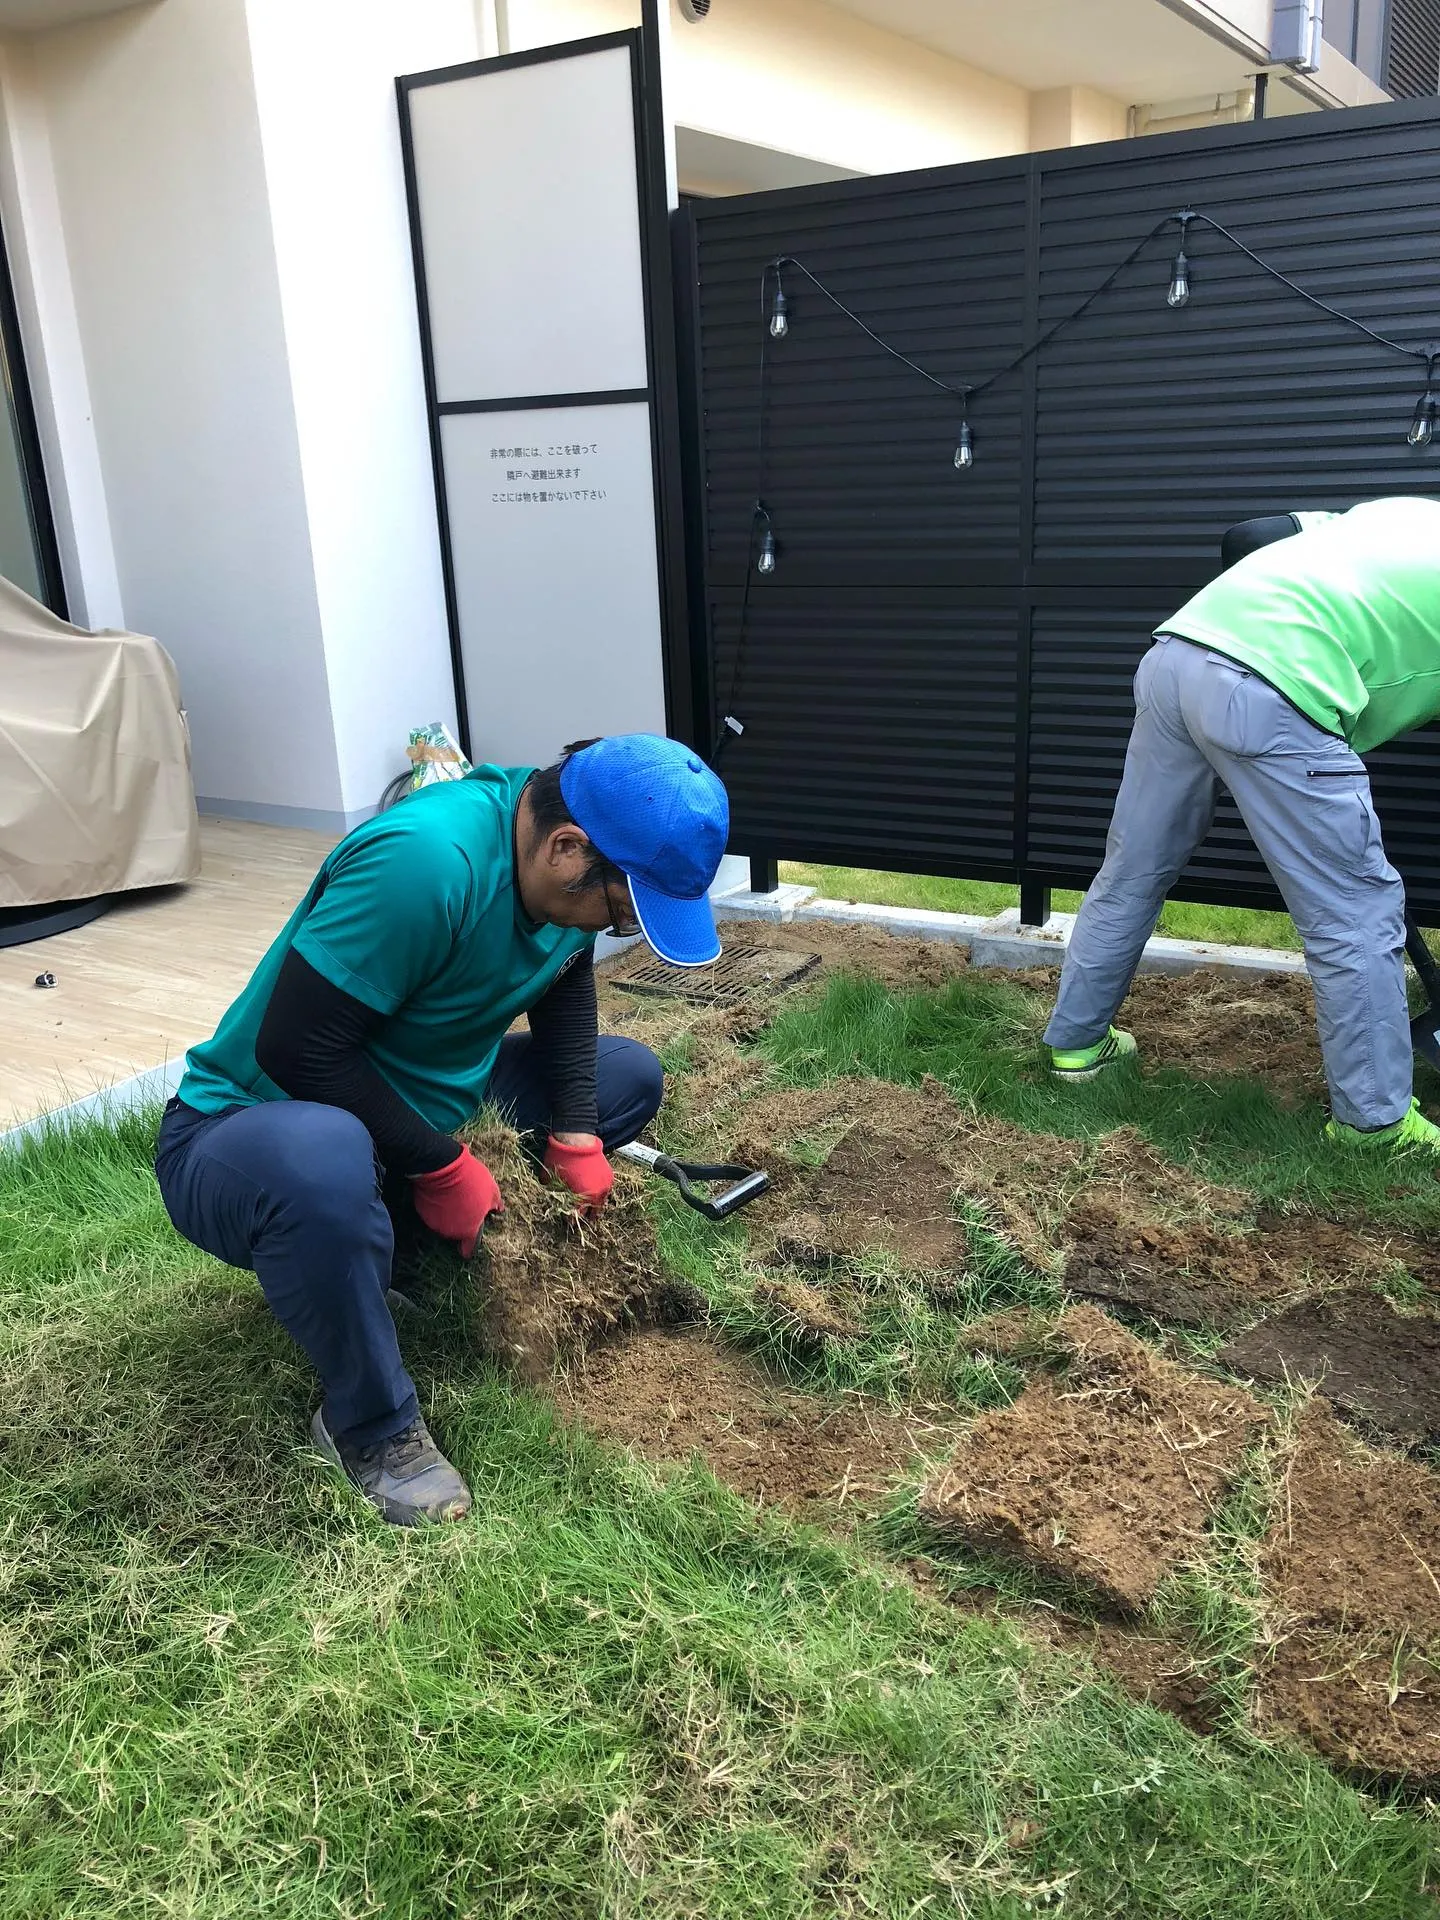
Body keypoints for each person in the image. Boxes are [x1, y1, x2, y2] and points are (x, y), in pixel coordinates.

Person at [155, 733, 729, 1526]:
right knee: (325, 1159)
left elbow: (561, 973)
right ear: (569, 850)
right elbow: (293, 1048)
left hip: (408, 1114)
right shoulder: (426, 865)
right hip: (251, 1130)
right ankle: (370, 1425)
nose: (617, 929)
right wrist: (438, 1163)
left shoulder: (562, 861)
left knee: (624, 1076)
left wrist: (577, 1132)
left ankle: (389, 1253)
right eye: (622, 911)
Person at [1043, 494, 1440, 1153]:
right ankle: (1375, 1123)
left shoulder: (1404, 513)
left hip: (1180, 652)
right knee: (1357, 911)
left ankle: (1077, 1045)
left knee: (1135, 867)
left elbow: (1251, 534)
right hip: (1277, 682)